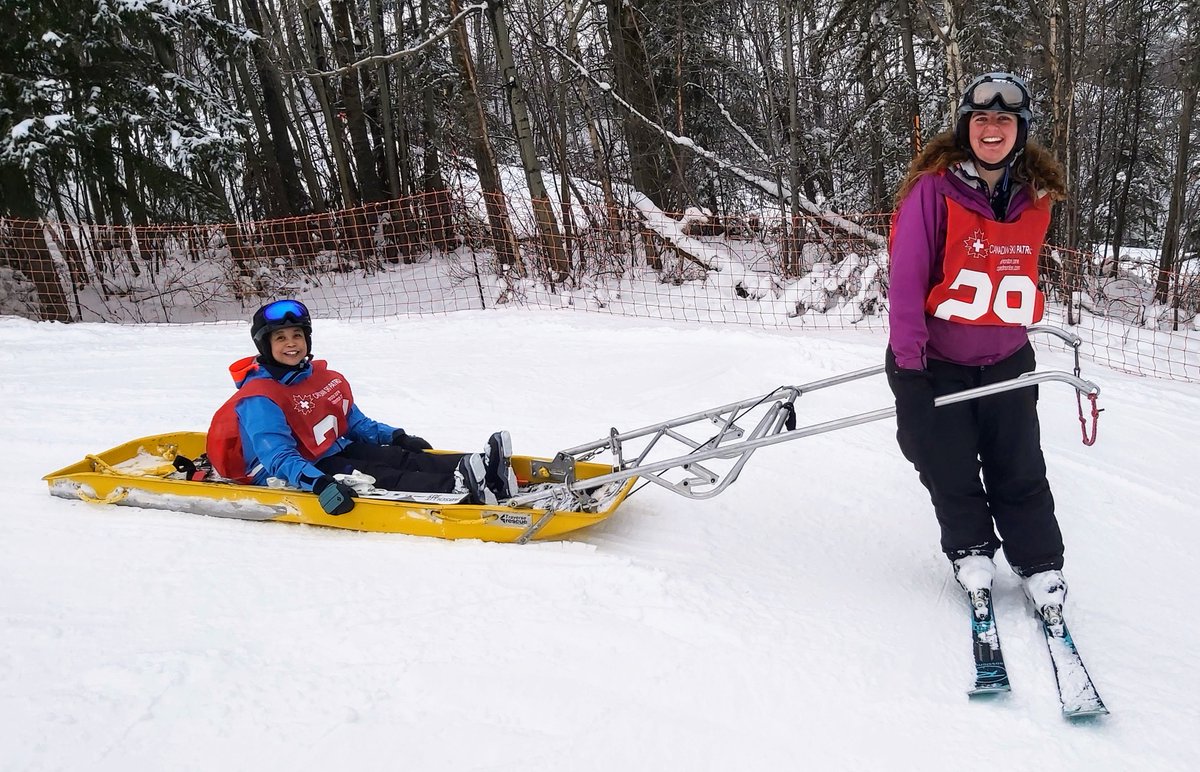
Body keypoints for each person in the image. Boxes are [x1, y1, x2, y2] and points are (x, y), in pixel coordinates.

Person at [885, 72, 1071, 615]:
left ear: (1020, 129)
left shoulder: (1033, 197)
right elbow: (906, 284)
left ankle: (1040, 564)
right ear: (966, 128)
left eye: (1005, 119)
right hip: (939, 363)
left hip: (1009, 361)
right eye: (982, 119)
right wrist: (910, 371)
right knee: (948, 466)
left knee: (1019, 466)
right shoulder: (933, 191)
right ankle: (971, 552)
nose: (993, 129)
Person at [206, 299, 518, 516]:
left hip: (330, 449)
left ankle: (480, 465)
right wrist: (318, 483)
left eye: (297, 335)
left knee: (398, 457)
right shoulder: (259, 397)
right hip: (297, 470)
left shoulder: (316, 378)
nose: (292, 343)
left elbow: (353, 422)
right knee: (376, 474)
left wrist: (394, 436)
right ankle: (458, 484)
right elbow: (277, 456)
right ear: (266, 346)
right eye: (281, 338)